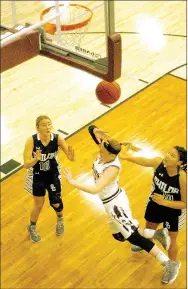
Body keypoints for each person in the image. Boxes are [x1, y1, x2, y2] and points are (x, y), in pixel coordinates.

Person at [63, 125, 175, 283]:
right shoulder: (106, 150)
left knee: (134, 237)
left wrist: (73, 182)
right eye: (100, 149)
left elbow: (95, 189)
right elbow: (91, 131)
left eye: (102, 152)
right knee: (119, 236)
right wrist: (95, 130)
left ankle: (167, 262)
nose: (99, 153)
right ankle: (156, 234)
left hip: (115, 204)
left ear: (111, 155)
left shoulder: (113, 168)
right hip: (110, 204)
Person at [120, 143, 186, 284]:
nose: (167, 156)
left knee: (171, 240)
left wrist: (166, 202)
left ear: (179, 163)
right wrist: (124, 156)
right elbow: (142, 160)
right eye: (168, 152)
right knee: (149, 227)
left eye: (172, 155)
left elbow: (185, 203)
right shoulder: (158, 163)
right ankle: (147, 241)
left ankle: (173, 265)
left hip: (174, 210)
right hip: (156, 203)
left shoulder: (182, 178)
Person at [24, 115, 75, 242]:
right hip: (37, 176)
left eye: (49, 124)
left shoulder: (57, 139)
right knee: (39, 205)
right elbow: (26, 165)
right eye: (44, 125)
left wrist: (71, 157)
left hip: (53, 175)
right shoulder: (31, 140)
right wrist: (35, 159)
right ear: (37, 128)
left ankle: (60, 220)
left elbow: (71, 157)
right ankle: (32, 227)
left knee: (56, 202)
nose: (47, 127)